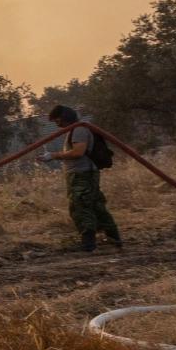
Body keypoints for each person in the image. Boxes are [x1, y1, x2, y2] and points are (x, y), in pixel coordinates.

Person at [39, 105, 122, 252]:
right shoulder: (75, 130)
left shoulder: (79, 130)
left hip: (82, 175)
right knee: (96, 207)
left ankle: (88, 244)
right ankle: (114, 238)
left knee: (81, 207)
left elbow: (78, 152)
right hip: (83, 174)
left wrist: (53, 156)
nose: (57, 124)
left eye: (58, 120)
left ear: (65, 118)